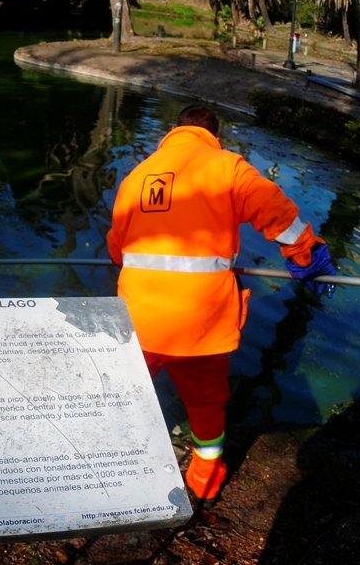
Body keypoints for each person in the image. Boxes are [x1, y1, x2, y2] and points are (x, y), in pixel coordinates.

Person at [106, 105, 337, 503]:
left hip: (138, 318)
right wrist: (306, 255)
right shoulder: (227, 166)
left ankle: (106, 471)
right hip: (202, 323)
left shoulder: (137, 176)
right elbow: (277, 214)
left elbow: (116, 248)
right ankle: (204, 482)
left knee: (121, 395)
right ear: (215, 134)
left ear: (173, 131)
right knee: (206, 408)